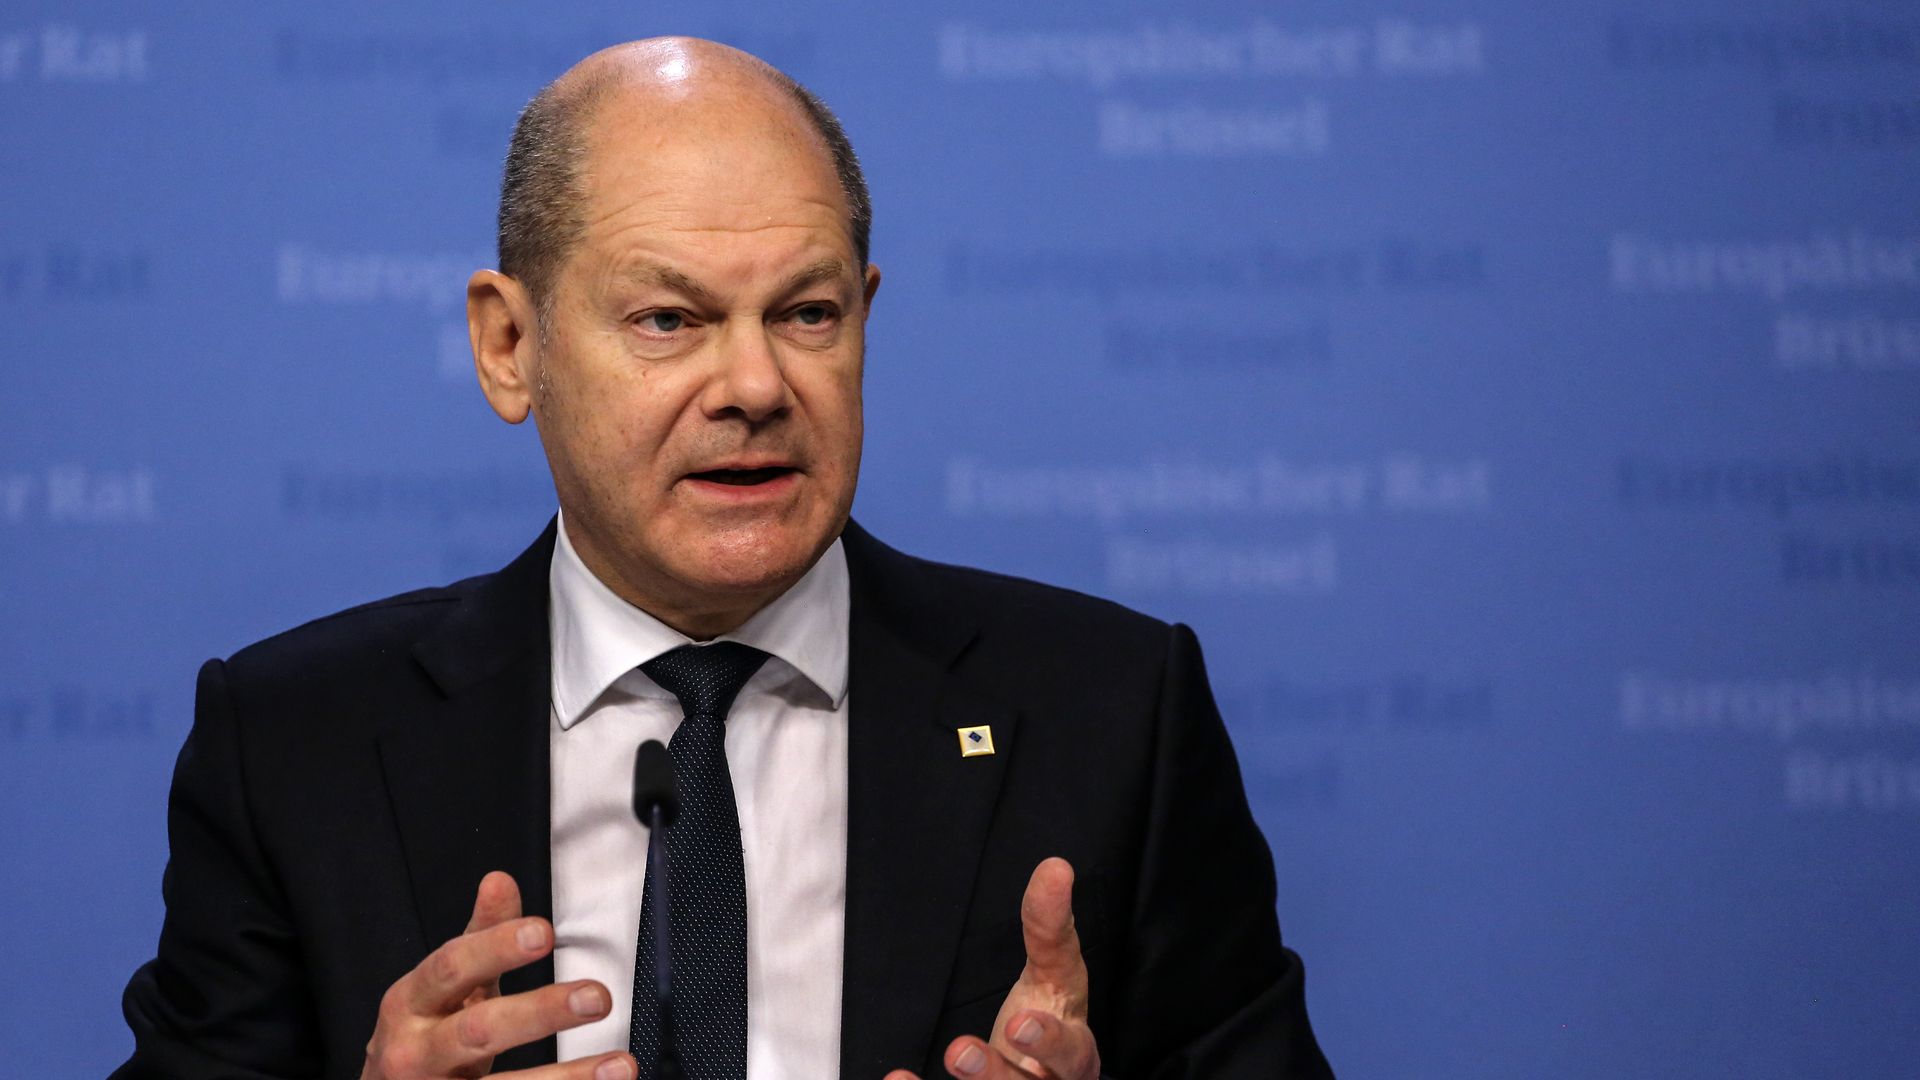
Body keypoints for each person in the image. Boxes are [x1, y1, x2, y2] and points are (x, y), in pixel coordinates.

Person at [115, 38, 1333, 1080]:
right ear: (508, 347)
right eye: (669, 320)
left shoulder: (1113, 712)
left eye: (808, 315)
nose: (755, 387)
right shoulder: (293, 743)